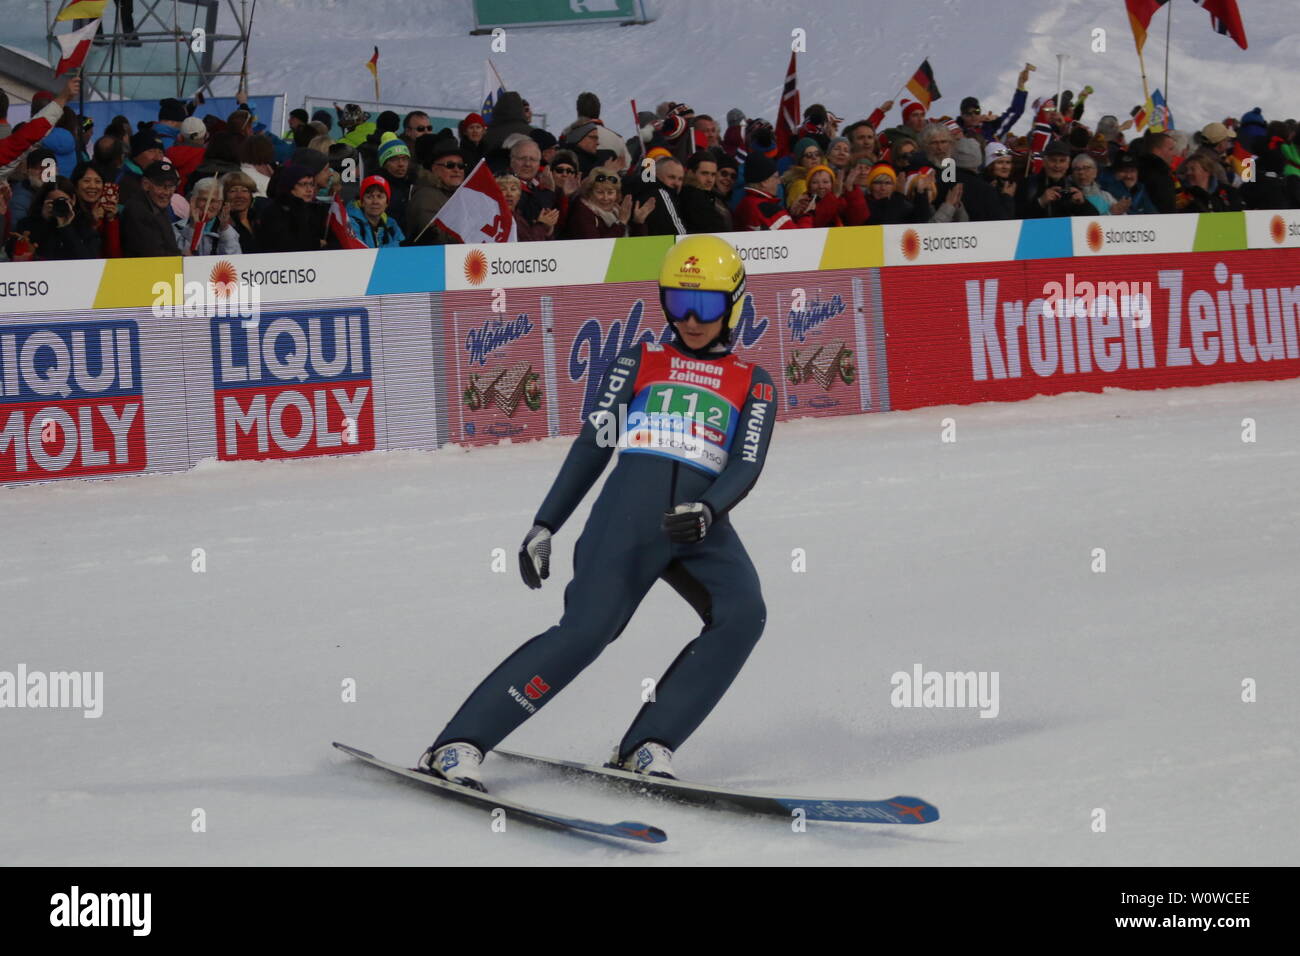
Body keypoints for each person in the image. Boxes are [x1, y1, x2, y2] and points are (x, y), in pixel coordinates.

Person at [417, 234, 776, 790]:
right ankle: (458, 744)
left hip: (700, 527)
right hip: (627, 521)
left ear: (733, 303)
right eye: (676, 303)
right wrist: (546, 523)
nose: (689, 318)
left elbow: (746, 465)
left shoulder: (755, 381)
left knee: (744, 614)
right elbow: (594, 443)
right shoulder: (643, 359)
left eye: (703, 305)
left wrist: (708, 510)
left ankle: (649, 743)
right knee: (586, 634)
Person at [563, 167, 653, 239]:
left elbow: (637, 247)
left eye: (610, 193)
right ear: (590, 192)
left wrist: (638, 223)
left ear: (617, 194)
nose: (605, 198)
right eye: (600, 192)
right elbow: (598, 248)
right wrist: (620, 223)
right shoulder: (583, 212)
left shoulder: (617, 211)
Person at [119, 160, 183, 257]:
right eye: (161, 185)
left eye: (171, 186)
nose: (166, 192)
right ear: (146, 184)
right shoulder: (137, 210)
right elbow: (153, 254)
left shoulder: (158, 206)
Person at [173, 177, 242, 255]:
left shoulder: (228, 232)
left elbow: (233, 261)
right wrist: (192, 228)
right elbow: (183, 258)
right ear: (194, 201)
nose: (207, 205)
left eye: (213, 201)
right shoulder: (176, 228)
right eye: (204, 200)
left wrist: (224, 230)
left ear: (220, 204)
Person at [346, 175, 406, 247]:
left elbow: (403, 251)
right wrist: (399, 245)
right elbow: (362, 253)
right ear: (362, 202)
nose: (375, 202)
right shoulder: (351, 224)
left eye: (380, 196)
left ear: (387, 203)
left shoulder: (391, 224)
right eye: (369, 197)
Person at [497, 173, 558, 241]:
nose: (509, 194)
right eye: (503, 189)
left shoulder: (520, 215)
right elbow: (528, 245)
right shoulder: (498, 218)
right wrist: (541, 224)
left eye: (513, 189)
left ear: (519, 195)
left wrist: (548, 229)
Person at [220, 170, 261, 252]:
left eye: (244, 190)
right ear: (224, 196)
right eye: (233, 191)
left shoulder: (259, 218)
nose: (239, 195)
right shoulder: (221, 225)